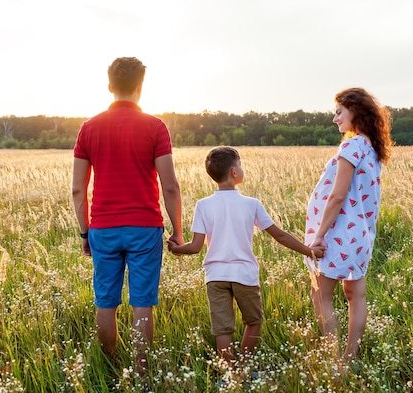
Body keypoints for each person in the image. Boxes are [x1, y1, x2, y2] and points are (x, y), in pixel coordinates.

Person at [71, 56, 183, 375]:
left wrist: (85, 233)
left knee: (105, 301)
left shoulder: (88, 128)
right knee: (142, 302)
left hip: (103, 228)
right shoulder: (155, 126)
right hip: (145, 227)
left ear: (110, 87)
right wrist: (177, 230)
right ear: (140, 87)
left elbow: (78, 190)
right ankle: (142, 373)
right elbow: (170, 185)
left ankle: (109, 370)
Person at [167, 146, 325, 366]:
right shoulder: (251, 204)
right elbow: (279, 235)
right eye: (239, 165)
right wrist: (310, 251)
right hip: (245, 276)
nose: (241, 169)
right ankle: (245, 366)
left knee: (223, 328)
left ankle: (231, 374)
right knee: (254, 321)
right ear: (234, 172)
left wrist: (176, 248)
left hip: (215, 276)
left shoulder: (203, 205)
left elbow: (195, 247)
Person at [304, 87, 392, 363]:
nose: (335, 119)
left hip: (339, 235)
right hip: (362, 234)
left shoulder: (352, 145)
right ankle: (349, 359)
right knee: (355, 294)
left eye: (339, 112)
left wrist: (319, 236)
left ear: (355, 110)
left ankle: (332, 358)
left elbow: (338, 195)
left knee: (319, 293)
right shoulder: (373, 149)